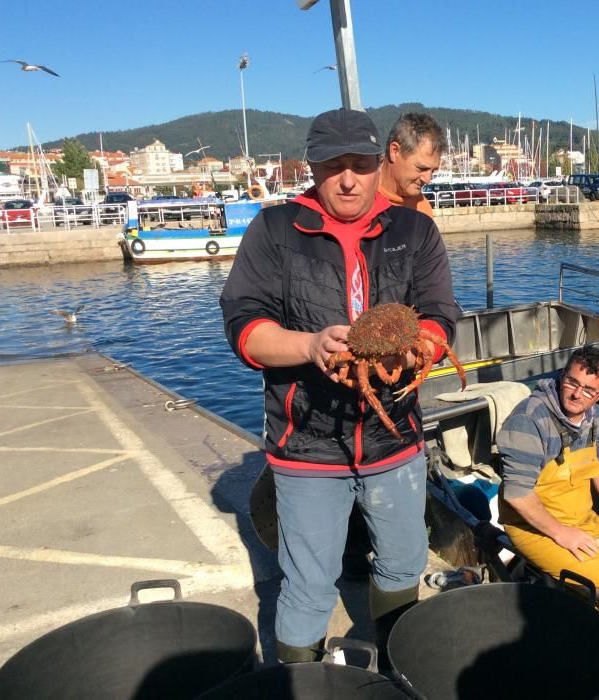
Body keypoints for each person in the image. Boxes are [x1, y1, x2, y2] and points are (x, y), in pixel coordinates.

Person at [220, 107, 459, 664]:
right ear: (313, 167)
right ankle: (299, 684)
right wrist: (308, 346)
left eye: (359, 164)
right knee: (308, 585)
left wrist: (420, 343)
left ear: (380, 163)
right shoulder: (275, 230)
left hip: (394, 441)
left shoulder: (414, 229)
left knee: (403, 562)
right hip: (306, 446)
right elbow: (244, 327)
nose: (348, 178)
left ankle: (399, 667)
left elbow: (441, 311)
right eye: (333, 166)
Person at [496, 345, 599, 666]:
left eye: (588, 389)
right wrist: (561, 534)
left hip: (579, 519)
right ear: (562, 376)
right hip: (533, 527)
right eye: (572, 382)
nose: (577, 394)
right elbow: (517, 495)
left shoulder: (598, 419)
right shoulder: (529, 420)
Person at [343, 111, 447, 581]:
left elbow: (432, 296)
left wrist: (419, 345)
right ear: (393, 153)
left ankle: (387, 550)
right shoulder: (359, 199)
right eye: (420, 170)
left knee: (395, 449)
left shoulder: (420, 212)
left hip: (398, 352)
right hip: (347, 351)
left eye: (432, 172)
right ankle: (349, 550)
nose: (426, 180)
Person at [377, 112, 445, 217]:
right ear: (394, 151)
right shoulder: (357, 198)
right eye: (421, 168)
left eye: (433, 171)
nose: (427, 180)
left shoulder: (422, 211)